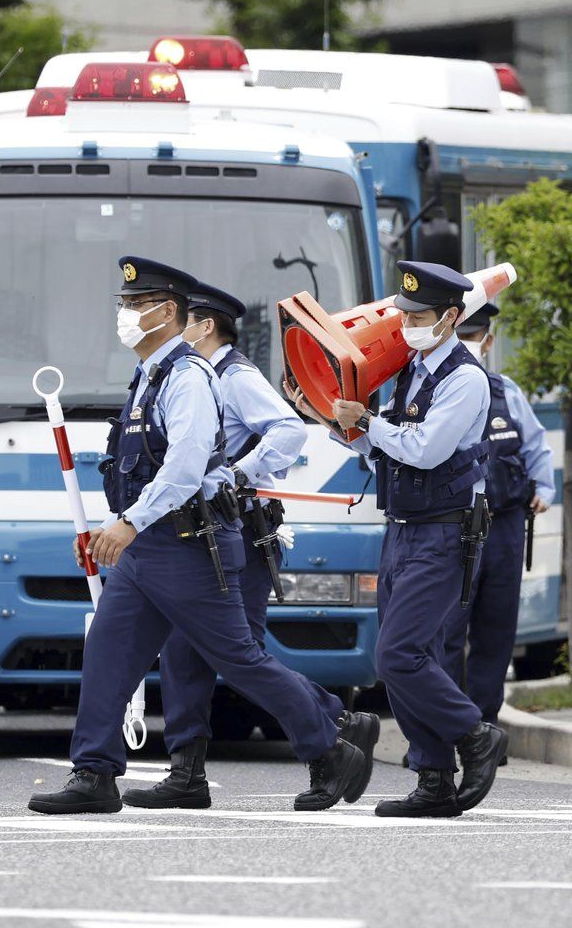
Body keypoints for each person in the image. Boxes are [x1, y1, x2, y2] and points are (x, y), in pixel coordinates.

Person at [29, 257, 368, 815]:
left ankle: (329, 746)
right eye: (126, 305)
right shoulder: (149, 377)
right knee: (108, 654)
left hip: (187, 546)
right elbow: (138, 467)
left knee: (239, 660)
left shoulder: (188, 377)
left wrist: (129, 523)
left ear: (169, 312)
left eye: (138, 306)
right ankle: (94, 773)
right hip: (147, 548)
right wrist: (110, 527)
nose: (127, 315)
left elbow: (184, 470)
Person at [121, 278, 379, 810]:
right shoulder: (190, 376)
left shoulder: (232, 376)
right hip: (203, 536)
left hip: (238, 532)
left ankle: (332, 733)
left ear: (203, 325)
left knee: (240, 657)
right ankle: (186, 772)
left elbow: (288, 430)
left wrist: (237, 473)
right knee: (185, 656)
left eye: (182, 318)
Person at [294, 260, 507, 819]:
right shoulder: (410, 373)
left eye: (422, 316)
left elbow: (426, 449)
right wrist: (334, 423)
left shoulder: (465, 377)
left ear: (452, 318)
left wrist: (367, 422)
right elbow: (383, 448)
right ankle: (433, 776)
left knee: (399, 656)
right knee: (419, 654)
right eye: (405, 314)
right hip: (406, 527)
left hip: (445, 531)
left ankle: (474, 736)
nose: (409, 325)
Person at [440, 301, 554, 731]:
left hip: (504, 525)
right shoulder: (438, 389)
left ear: (488, 342)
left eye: (475, 339)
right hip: (455, 525)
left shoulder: (505, 390)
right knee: (448, 630)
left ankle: (485, 726)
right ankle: (450, 726)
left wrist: (543, 488)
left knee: (496, 627)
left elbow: (535, 444)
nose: (472, 347)